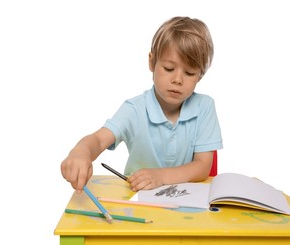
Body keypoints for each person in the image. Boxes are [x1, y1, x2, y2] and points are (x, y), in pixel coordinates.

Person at [61, 16, 223, 193]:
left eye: (190, 73)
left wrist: (161, 177)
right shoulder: (134, 109)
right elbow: (99, 140)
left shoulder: (204, 107)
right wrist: (81, 152)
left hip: (186, 203)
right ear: (152, 62)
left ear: (200, 75)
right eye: (169, 68)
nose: (178, 80)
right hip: (138, 198)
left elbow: (202, 167)